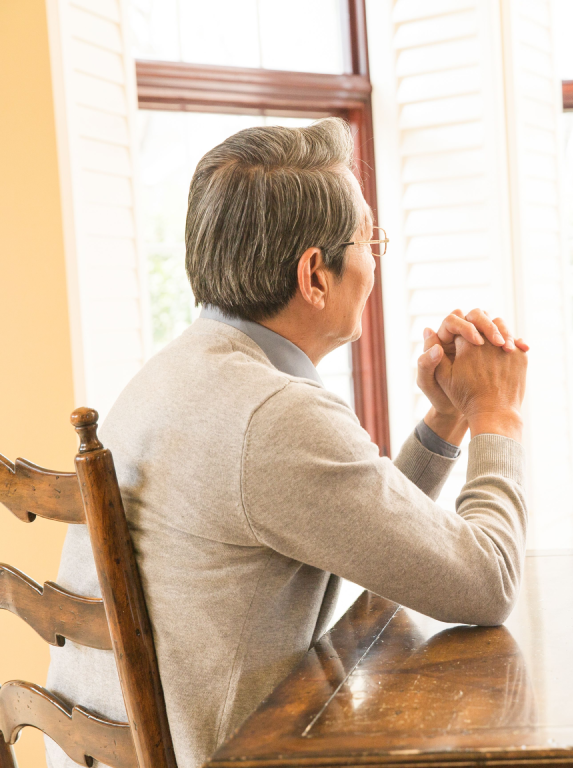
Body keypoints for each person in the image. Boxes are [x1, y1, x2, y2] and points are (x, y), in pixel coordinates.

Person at [45, 118, 529, 768]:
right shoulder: (272, 416)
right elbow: (488, 583)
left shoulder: (177, 374)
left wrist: (446, 421)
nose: (373, 259)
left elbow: (370, 534)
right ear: (315, 276)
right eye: (369, 240)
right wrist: (499, 416)